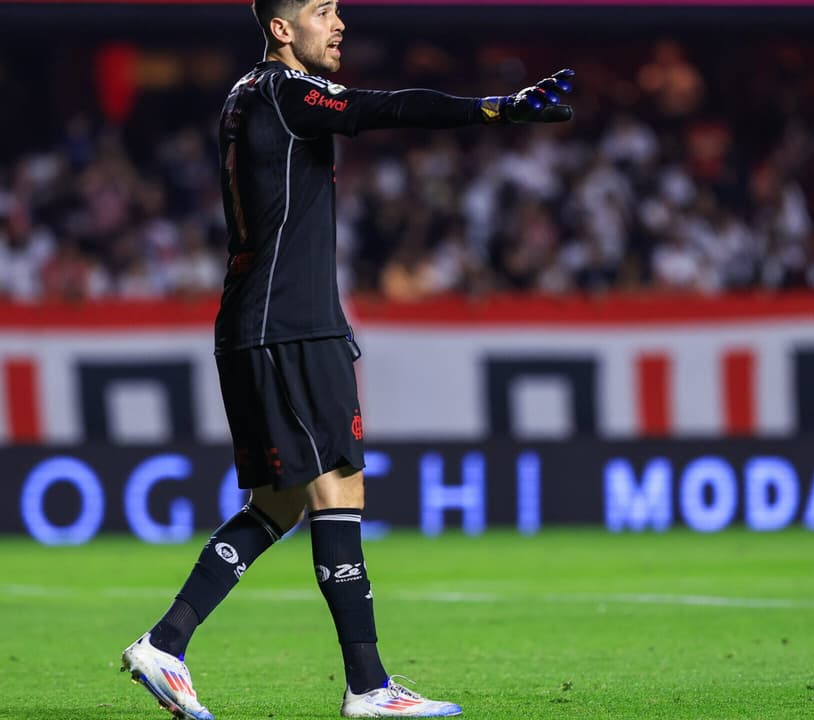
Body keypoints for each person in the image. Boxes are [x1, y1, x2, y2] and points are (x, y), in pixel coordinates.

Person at [119, 1, 573, 718]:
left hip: (256, 322)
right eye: (322, 10)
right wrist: (497, 110)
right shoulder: (286, 91)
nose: (339, 24)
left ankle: (167, 642)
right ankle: (368, 687)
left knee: (279, 501)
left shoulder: (243, 96)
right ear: (281, 27)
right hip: (291, 326)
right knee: (339, 490)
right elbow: (384, 106)